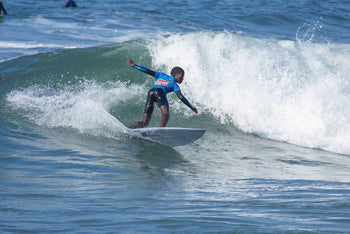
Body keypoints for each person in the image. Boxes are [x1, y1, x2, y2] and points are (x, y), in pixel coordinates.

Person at [127, 57, 198, 129]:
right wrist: (191, 107)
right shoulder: (174, 84)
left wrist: (133, 65)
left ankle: (129, 129)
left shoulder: (161, 75)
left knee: (145, 122)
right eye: (181, 76)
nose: (182, 79)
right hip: (159, 92)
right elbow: (181, 97)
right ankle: (161, 130)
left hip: (151, 92)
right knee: (165, 114)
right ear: (174, 75)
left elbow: (147, 71)